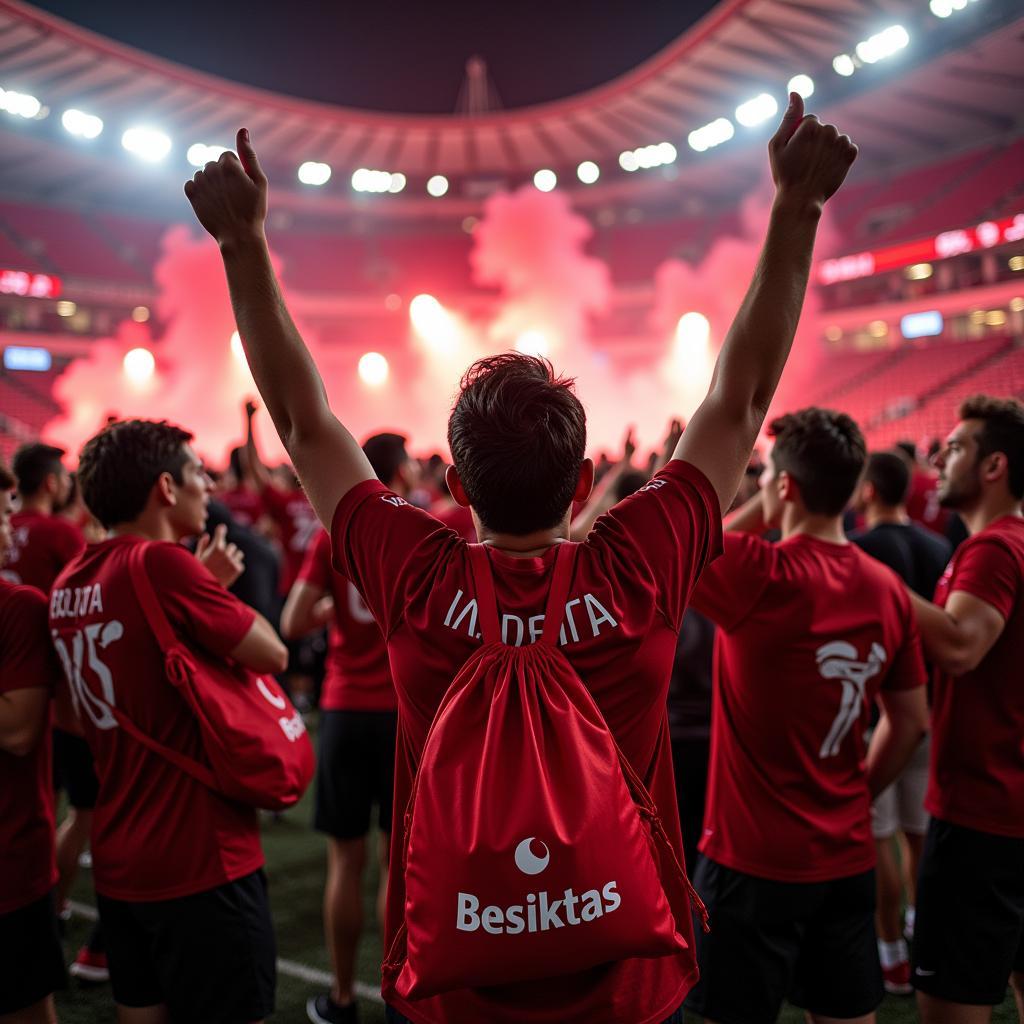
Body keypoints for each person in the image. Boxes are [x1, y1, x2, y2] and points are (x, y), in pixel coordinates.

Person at [185, 93, 857, 1023]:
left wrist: (241, 242)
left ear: (454, 490)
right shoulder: (641, 563)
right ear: (584, 482)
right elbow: (739, 405)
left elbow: (303, 422)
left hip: (453, 981)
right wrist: (797, 207)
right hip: (628, 977)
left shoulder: (415, 570)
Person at [684, 409, 930, 1024]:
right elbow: (910, 721)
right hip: (845, 855)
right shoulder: (887, 589)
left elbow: (685, 551)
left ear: (786, 486)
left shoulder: (756, 572)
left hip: (750, 860)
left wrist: (766, 506)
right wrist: (858, 791)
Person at [49, 419, 288, 1024]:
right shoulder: (163, 566)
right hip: (200, 854)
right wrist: (209, 584)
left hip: (120, 856)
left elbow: (75, 718)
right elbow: (271, 651)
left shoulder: (67, 582)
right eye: (194, 475)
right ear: (164, 489)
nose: (207, 485)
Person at [282, 433, 412, 1024]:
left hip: (342, 710)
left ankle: (338, 996)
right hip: (400, 712)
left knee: (344, 862)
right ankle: (396, 992)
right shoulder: (417, 527)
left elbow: (293, 620)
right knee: (397, 866)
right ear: (400, 470)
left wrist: (334, 609)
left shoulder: (338, 532)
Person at [904, 396, 1024, 1023]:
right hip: (1007, 809)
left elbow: (960, 645)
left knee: (952, 1006)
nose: (941, 458)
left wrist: (870, 583)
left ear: (993, 465)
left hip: (981, 817)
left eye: (955, 449)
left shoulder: (996, 548)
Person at [850, 450, 952, 993]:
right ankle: (920, 932)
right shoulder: (940, 548)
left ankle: (891, 951)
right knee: (920, 838)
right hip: (931, 710)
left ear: (869, 490)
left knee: (879, 838)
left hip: (876, 716)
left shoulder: (860, 551)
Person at [7, 443, 103, 980]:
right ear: (50, 483)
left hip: (21, 691)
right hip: (62, 694)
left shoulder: (26, 532)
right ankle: (57, 909)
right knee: (86, 813)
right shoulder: (59, 536)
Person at [0, 460, 67, 1024]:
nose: (11, 532)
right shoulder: (19, 607)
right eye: (2, 518)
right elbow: (21, 730)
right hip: (12, 861)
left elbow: (17, 729)